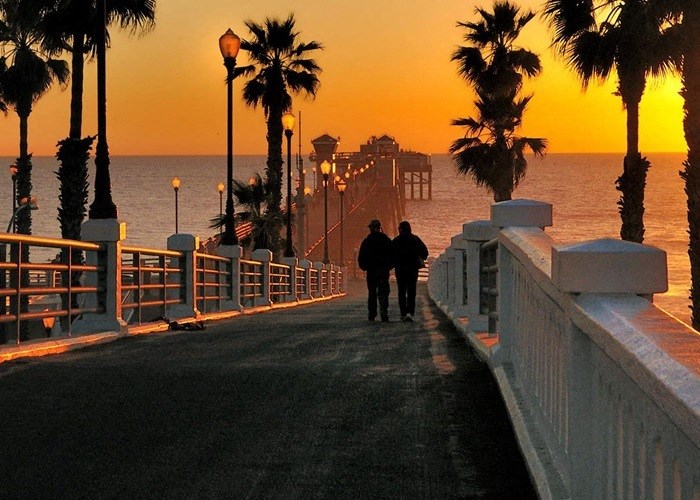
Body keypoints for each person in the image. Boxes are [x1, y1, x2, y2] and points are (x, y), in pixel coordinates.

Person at [357, 219, 394, 322]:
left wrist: (364, 267)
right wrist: (389, 267)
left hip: (371, 271)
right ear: (379, 227)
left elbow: (361, 257)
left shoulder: (367, 241)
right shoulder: (386, 240)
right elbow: (392, 255)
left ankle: (372, 314)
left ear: (372, 228)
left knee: (372, 293)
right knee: (383, 292)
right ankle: (383, 312)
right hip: (383, 271)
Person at [392, 220, 429, 322]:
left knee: (402, 291)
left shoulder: (396, 240)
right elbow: (425, 253)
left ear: (401, 229)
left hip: (400, 270)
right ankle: (410, 313)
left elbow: (390, 255)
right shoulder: (415, 239)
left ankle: (403, 313)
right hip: (412, 269)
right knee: (412, 291)